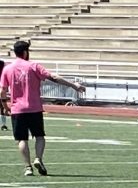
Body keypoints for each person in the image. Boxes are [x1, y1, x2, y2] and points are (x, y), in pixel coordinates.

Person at [0, 39, 85, 176]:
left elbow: (2, 91)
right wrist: (74, 85)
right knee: (39, 136)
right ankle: (38, 158)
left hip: (17, 109)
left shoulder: (7, 69)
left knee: (22, 139)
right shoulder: (33, 66)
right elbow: (54, 77)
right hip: (34, 108)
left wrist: (5, 106)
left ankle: (28, 167)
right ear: (25, 52)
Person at [0, 59, 8, 131]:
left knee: (2, 107)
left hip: (1, 86)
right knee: (2, 107)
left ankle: (3, 124)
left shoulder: (2, 63)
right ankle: (3, 124)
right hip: (2, 86)